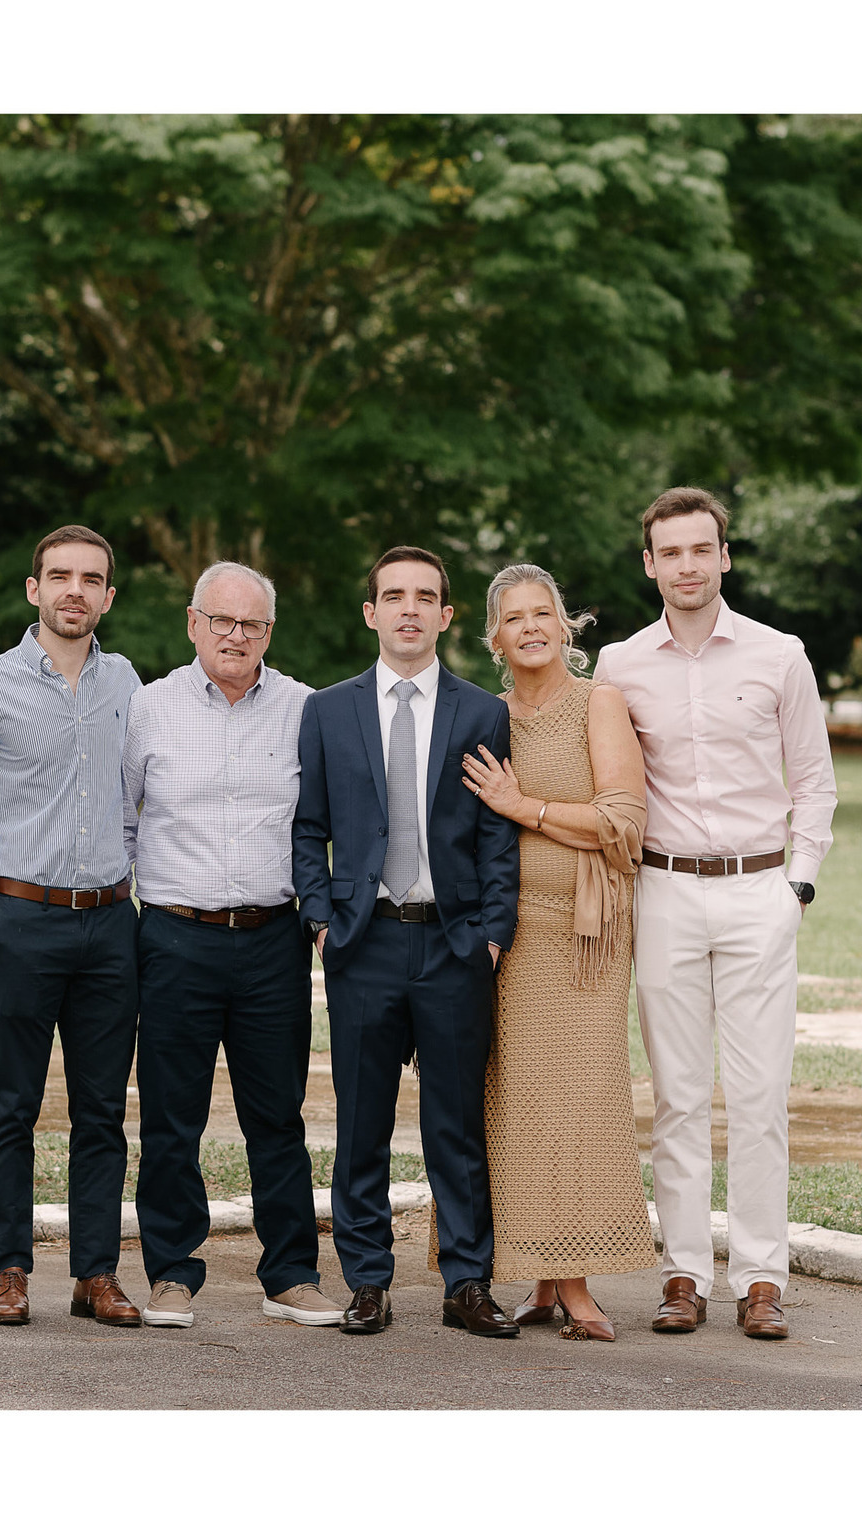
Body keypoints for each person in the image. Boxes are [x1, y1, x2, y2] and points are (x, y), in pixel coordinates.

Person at [594, 487, 837, 1340]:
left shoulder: (780, 655)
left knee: (761, 1096)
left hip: (758, 891)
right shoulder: (620, 665)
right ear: (650, 564)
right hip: (663, 893)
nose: (688, 565)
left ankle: (762, 1278)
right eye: (672, 552)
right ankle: (685, 1274)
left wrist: (796, 887)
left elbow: (814, 781)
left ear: (724, 557)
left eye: (703, 549)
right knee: (679, 1096)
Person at [292, 546, 521, 1337]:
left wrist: (492, 934)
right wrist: (322, 919)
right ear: (371, 613)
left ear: (447, 615)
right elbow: (309, 827)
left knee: (455, 1126)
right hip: (364, 944)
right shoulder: (328, 710)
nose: (410, 609)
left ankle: (467, 1283)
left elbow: (495, 836)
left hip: (454, 945)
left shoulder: (480, 712)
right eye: (394, 596)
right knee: (362, 1124)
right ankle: (367, 1282)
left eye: (426, 596)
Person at [124, 562, 342, 1330]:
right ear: (194, 623)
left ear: (269, 633)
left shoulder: (305, 709)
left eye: (251, 624)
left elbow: (321, 825)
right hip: (174, 936)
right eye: (221, 620)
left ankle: (290, 1276)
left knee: (277, 1117)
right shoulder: (147, 708)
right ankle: (172, 1274)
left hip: (272, 941)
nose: (235, 635)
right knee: (171, 1118)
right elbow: (123, 820)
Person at [0, 524, 143, 1328]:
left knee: (102, 1110)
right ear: (35, 589)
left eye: (90, 579)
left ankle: (96, 1273)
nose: (74, 591)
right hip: (21, 919)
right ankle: (10, 1268)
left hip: (110, 924)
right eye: (60, 576)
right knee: (12, 1104)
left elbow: (136, 796)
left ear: (107, 597)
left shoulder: (127, 682)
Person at [458, 564, 657, 1341]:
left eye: (543, 613)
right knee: (516, 1105)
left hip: (585, 934)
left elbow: (623, 823)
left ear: (565, 623)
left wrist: (524, 807)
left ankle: (575, 1286)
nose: (531, 627)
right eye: (514, 617)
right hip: (505, 934)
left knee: (577, 1104)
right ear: (495, 636)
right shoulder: (486, 714)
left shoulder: (597, 703)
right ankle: (541, 1281)